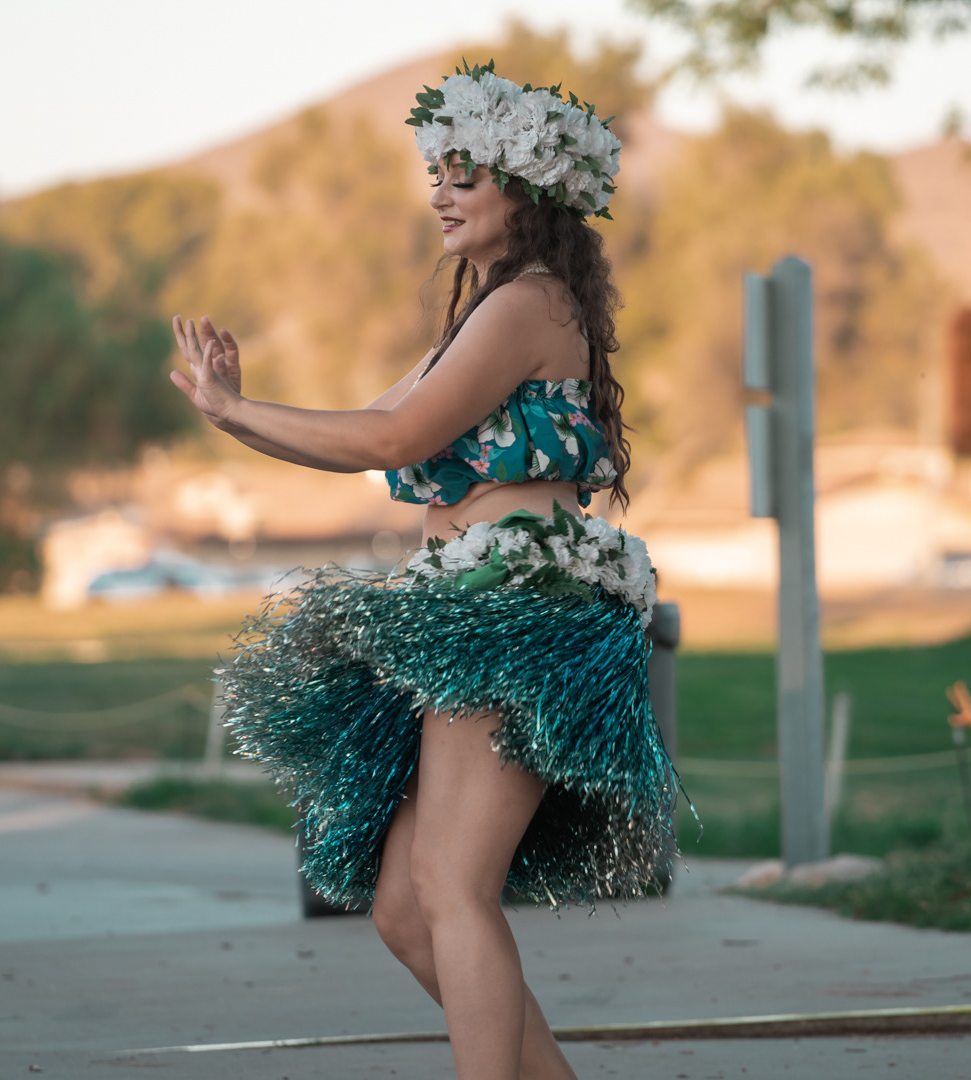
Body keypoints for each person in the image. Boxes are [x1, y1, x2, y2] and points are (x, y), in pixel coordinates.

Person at [169, 60, 681, 1080]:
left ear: (526, 191)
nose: (440, 193)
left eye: (463, 174)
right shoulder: (489, 310)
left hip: (517, 616)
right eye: (435, 173)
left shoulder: (527, 304)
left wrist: (238, 412)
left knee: (451, 887)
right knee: (407, 906)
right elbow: (371, 426)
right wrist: (239, 412)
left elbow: (395, 438)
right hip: (472, 610)